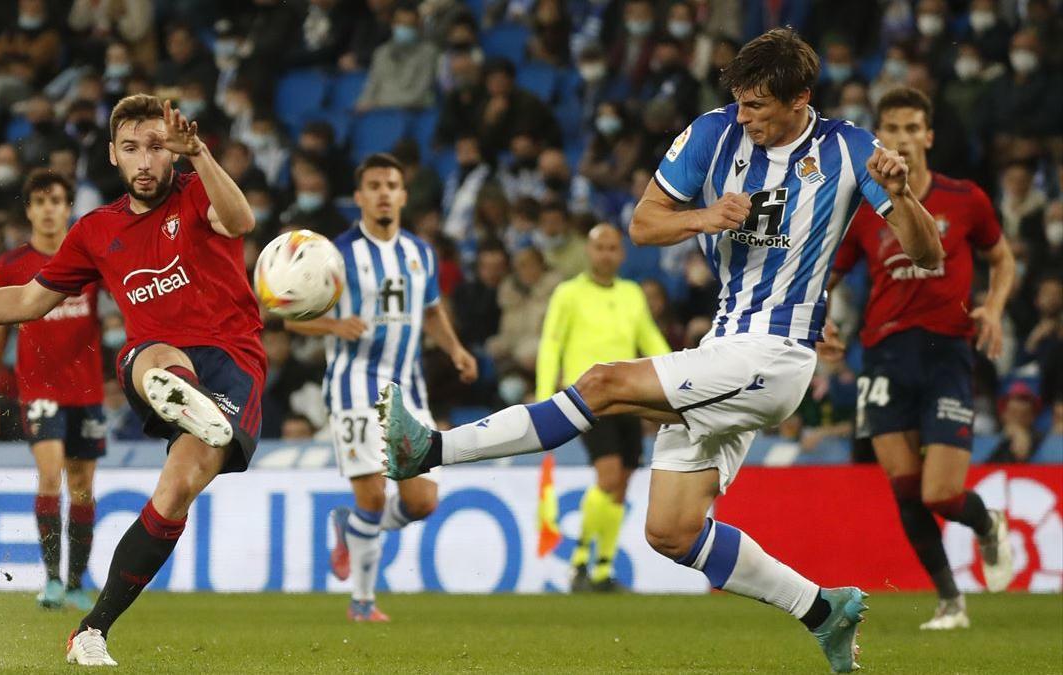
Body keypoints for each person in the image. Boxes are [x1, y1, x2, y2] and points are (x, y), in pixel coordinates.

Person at [378, 28, 946, 673]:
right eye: (739, 101)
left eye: (758, 105)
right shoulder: (713, 133)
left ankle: (429, 449)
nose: (745, 116)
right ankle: (822, 610)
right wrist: (701, 218)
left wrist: (901, 196)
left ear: (800, 99)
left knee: (603, 383)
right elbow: (644, 224)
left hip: (776, 354)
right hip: (725, 345)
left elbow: (927, 255)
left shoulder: (849, 149)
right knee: (672, 533)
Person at [0, 94, 263, 667]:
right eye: (132, 149)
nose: (145, 161)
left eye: (157, 148)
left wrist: (202, 156)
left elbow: (240, 221)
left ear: (172, 153)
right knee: (157, 355)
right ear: (113, 155)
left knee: (176, 492)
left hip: (233, 363)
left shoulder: (196, 193)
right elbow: (27, 299)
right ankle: (179, 394)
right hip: (155, 358)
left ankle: (90, 630)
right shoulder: (96, 230)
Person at [828, 86, 1015, 630]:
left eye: (913, 128)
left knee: (940, 491)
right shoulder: (864, 209)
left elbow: (1002, 261)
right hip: (883, 354)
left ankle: (987, 523)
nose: (903, 139)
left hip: (947, 351)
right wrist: (822, 321)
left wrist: (996, 308)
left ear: (929, 136)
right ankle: (951, 600)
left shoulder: (966, 199)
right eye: (892, 129)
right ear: (878, 136)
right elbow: (828, 276)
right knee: (905, 487)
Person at [285, 153, 477, 622]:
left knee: (422, 501)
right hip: (353, 387)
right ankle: (363, 603)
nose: (384, 192)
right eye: (373, 185)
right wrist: (333, 325)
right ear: (359, 197)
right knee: (372, 494)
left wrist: (454, 349)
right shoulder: (336, 256)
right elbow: (291, 319)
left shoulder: (420, 253)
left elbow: (431, 310)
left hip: (407, 389)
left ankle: (349, 527)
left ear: (404, 194)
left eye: (392, 184)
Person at [0, 169, 106, 612]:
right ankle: (51, 580)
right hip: (39, 388)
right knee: (51, 473)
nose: (48, 208)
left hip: (87, 389)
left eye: (56, 200)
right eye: (40, 201)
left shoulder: (91, 258)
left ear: (68, 207)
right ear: (29, 210)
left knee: (83, 486)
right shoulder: (12, 265)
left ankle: (74, 583)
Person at [537, 224, 670, 592]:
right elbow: (552, 343)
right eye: (600, 247)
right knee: (608, 476)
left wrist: (680, 375)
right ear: (589, 252)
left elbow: (649, 338)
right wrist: (543, 392)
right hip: (588, 397)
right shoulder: (568, 294)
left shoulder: (631, 294)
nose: (606, 254)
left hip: (628, 397)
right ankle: (579, 560)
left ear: (621, 254)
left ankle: (602, 570)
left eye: (613, 248)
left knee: (622, 482)